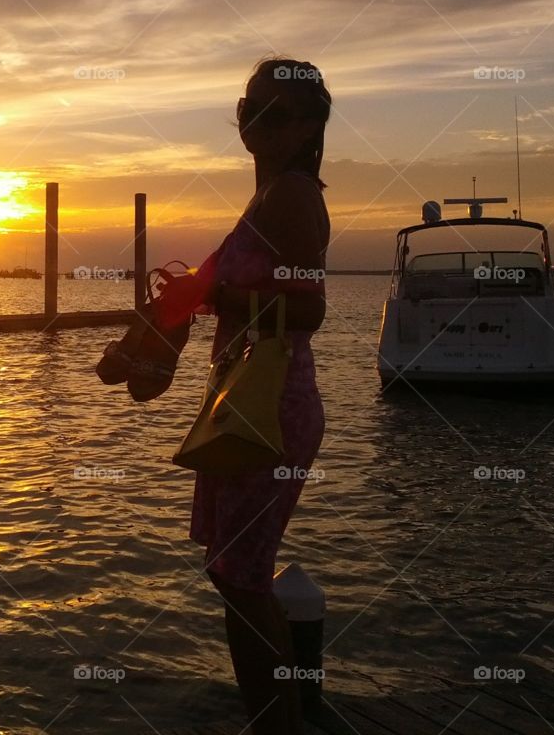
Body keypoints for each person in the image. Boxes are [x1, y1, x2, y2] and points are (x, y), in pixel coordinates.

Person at [190, 56, 331, 735]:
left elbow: (308, 308)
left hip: (271, 406)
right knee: (234, 575)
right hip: (241, 401)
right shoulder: (264, 195)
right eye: (249, 109)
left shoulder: (295, 195)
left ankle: (279, 726)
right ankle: (274, 722)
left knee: (243, 579)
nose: (255, 123)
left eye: (275, 113)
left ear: (308, 126)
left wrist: (220, 293)